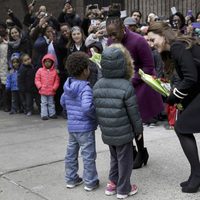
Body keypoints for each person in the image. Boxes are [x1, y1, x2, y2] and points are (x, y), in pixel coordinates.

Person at [106, 10, 164, 169]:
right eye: (109, 35)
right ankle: (131, 151)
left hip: (139, 84)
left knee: (134, 121)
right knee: (121, 121)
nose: (112, 38)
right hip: (120, 85)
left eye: (115, 34)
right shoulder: (111, 42)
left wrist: (131, 80)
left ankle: (141, 151)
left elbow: (149, 67)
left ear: (123, 28)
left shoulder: (138, 41)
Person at [147, 21, 200, 193]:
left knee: (182, 127)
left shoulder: (177, 46)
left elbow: (191, 78)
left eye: (152, 39)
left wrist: (174, 96)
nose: (151, 44)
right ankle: (196, 174)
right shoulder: (176, 48)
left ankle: (197, 175)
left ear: (163, 35)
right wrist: (180, 101)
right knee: (181, 126)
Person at [93, 44, 143, 198]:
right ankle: (123, 189)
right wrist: (138, 129)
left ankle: (111, 184)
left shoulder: (98, 85)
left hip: (108, 132)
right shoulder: (126, 86)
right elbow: (133, 112)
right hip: (123, 133)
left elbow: (98, 110)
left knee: (114, 158)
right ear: (123, 64)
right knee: (125, 161)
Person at [60, 51, 99, 191]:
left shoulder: (67, 85)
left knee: (71, 153)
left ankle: (71, 179)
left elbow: (62, 101)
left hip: (72, 126)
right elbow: (87, 107)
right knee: (88, 155)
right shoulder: (85, 87)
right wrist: (95, 116)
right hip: (85, 128)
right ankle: (90, 181)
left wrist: (70, 112)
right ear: (84, 71)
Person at [35, 53, 60, 120]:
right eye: (46, 61)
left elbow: (57, 81)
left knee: (51, 103)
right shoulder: (40, 70)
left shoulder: (54, 71)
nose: (47, 63)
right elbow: (37, 79)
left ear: (52, 63)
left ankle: (52, 114)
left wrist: (54, 88)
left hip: (51, 91)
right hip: (43, 90)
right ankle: (44, 114)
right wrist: (39, 86)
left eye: (49, 61)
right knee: (43, 103)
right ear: (43, 62)